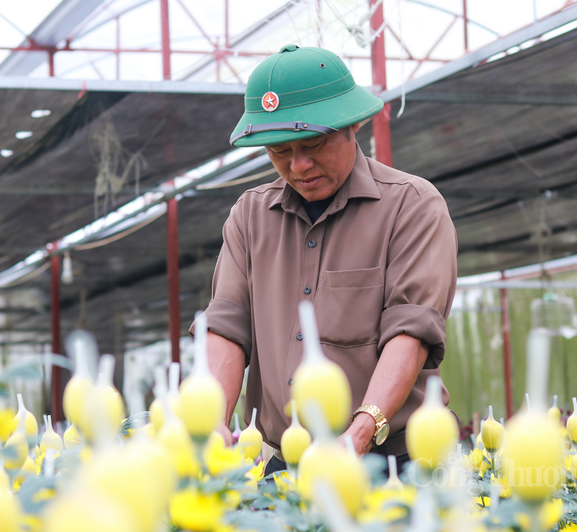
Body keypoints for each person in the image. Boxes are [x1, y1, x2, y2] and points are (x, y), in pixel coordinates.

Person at [191, 44, 457, 475]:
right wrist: (215, 420)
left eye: (313, 143)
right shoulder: (250, 215)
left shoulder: (411, 205)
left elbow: (411, 330)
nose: (299, 165)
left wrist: (361, 432)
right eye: (279, 152)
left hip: (396, 462)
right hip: (286, 463)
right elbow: (227, 324)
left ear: (352, 125)